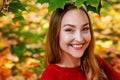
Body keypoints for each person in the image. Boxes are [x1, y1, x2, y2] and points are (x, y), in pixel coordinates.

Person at [41, 2, 120, 80]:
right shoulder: (51, 76)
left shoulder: (96, 62)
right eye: (69, 30)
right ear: (55, 34)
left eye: (85, 29)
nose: (79, 39)